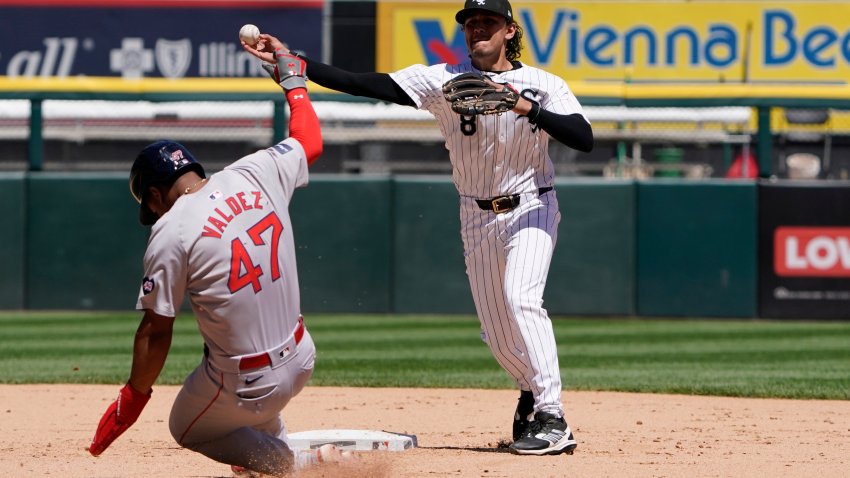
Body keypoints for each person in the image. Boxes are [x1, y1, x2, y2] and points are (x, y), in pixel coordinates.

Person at [243, 0, 593, 456]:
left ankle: (553, 417)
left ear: (510, 31)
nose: (477, 29)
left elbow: (583, 138)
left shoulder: (544, 84)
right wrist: (296, 63)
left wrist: (523, 106)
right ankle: (531, 389)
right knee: (498, 333)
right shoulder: (443, 79)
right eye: (470, 23)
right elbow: (367, 83)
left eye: (488, 21)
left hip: (531, 206)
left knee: (521, 299)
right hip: (476, 214)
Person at [88, 48, 353, 476]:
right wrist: (295, 87)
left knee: (186, 427)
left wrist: (133, 397)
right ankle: (263, 454)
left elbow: (156, 331)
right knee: (235, 393)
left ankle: (296, 464)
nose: (152, 214)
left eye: (149, 205)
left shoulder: (171, 229)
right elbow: (311, 143)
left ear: (155, 194)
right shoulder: (254, 171)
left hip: (249, 384)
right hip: (302, 356)